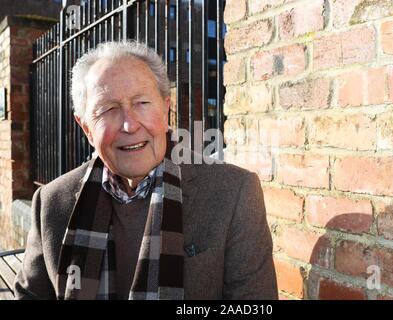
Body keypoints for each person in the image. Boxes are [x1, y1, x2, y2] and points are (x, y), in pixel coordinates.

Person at [13, 41, 278, 300]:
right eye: (108, 109)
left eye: (141, 103)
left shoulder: (234, 192)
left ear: (166, 109)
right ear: (86, 129)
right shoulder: (50, 202)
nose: (129, 125)